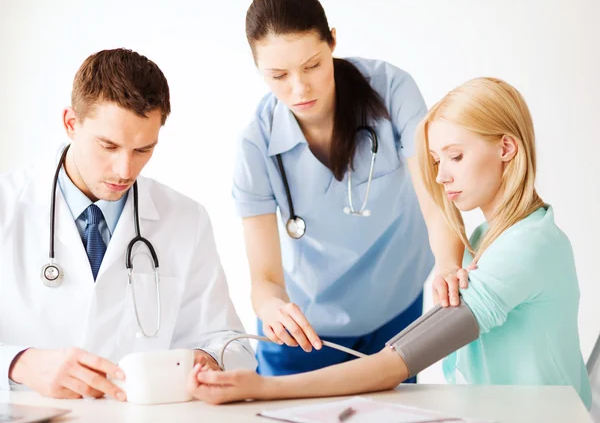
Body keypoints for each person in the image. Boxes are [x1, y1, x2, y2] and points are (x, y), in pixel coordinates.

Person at [187, 77, 592, 410]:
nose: (441, 176)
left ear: (506, 148)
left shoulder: (525, 247)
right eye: (435, 161)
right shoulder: (490, 239)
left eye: (455, 156)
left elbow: (395, 364)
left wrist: (260, 387)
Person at [232, 0, 468, 378]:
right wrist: (272, 308)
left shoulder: (391, 90)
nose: (300, 89)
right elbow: (266, 280)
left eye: (312, 65)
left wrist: (447, 264)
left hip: (395, 309)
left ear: (333, 42)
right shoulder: (255, 146)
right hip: (304, 331)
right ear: (257, 66)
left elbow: (436, 195)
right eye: (278, 76)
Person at [0, 48, 256, 401]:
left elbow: (231, 342)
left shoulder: (186, 219)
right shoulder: (6, 205)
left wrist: (210, 359)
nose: (125, 171)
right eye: (108, 146)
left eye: (143, 150)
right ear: (71, 123)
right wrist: (17, 363)